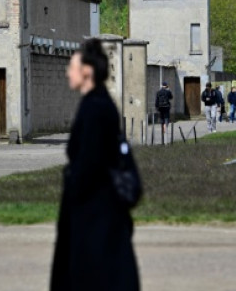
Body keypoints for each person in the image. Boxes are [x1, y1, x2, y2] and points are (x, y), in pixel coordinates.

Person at [51, 38, 140, 291]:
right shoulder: (97, 103)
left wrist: (76, 187)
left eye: (72, 67)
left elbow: (91, 162)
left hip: (95, 215)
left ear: (87, 71)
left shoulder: (95, 108)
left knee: (93, 278)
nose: (68, 72)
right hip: (95, 211)